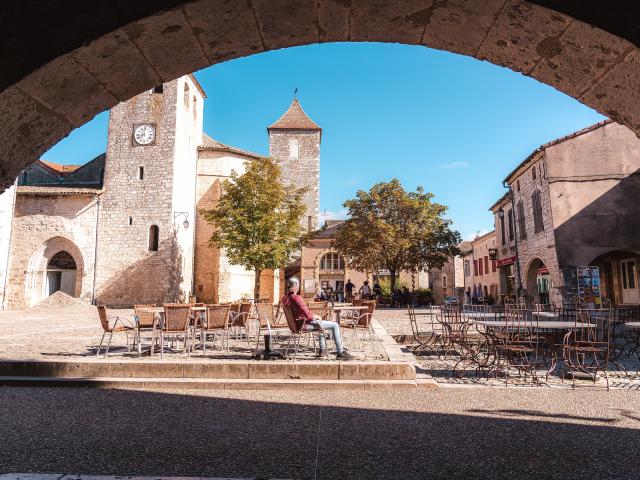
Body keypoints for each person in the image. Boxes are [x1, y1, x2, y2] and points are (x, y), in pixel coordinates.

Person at [281, 277, 354, 359]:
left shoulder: (285, 298)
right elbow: (307, 315)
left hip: (296, 326)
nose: (298, 287)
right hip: (304, 324)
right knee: (335, 325)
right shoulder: (296, 298)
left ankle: (322, 350)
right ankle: (340, 352)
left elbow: (303, 312)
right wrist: (315, 316)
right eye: (298, 285)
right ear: (295, 286)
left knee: (321, 324)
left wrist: (313, 317)